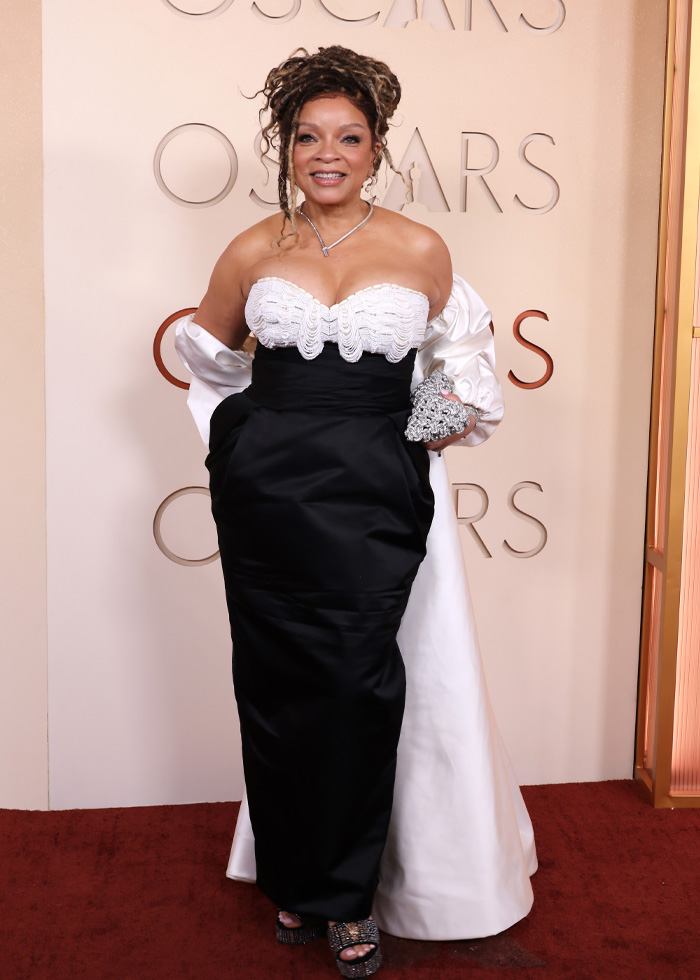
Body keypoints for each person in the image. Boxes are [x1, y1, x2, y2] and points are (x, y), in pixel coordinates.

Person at [174, 45, 537, 979]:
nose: (325, 153)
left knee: (358, 687)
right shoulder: (255, 247)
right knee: (277, 687)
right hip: (268, 499)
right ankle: (299, 881)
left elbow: (465, 382)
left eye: (348, 137)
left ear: (377, 149)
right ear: (285, 146)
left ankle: (349, 895)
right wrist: (238, 442)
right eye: (307, 136)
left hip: (373, 493)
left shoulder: (419, 248)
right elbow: (207, 356)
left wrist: (411, 436)